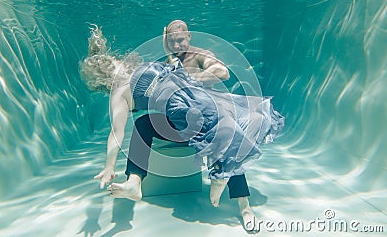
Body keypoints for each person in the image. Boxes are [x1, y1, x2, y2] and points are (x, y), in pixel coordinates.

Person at [80, 24, 285, 231]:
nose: (176, 44)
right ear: (106, 77)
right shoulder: (124, 87)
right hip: (186, 119)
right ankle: (134, 181)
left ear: (189, 36)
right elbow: (116, 133)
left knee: (227, 131)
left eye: (180, 40)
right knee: (145, 123)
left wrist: (189, 79)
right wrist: (109, 167)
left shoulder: (196, 56)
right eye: (172, 41)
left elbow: (222, 72)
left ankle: (244, 205)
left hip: (205, 109)